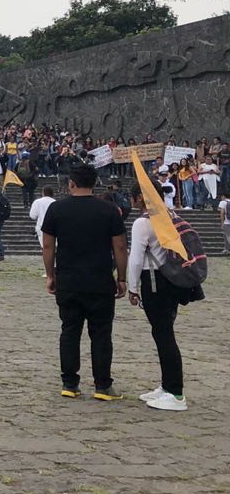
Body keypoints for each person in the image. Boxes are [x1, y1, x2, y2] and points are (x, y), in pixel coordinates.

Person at [41, 162, 127, 401]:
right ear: (94, 183)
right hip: (100, 280)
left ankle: (69, 383)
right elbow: (119, 245)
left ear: (71, 183)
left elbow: (48, 245)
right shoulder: (109, 210)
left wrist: (50, 275)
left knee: (69, 331)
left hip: (68, 279)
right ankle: (103, 385)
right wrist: (121, 277)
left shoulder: (57, 209)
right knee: (101, 333)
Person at [126, 185, 191, 412]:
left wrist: (132, 288)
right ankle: (166, 386)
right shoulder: (170, 216)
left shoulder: (143, 223)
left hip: (153, 279)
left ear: (138, 198)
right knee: (163, 331)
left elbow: (135, 258)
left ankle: (175, 391)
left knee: (163, 334)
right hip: (170, 279)